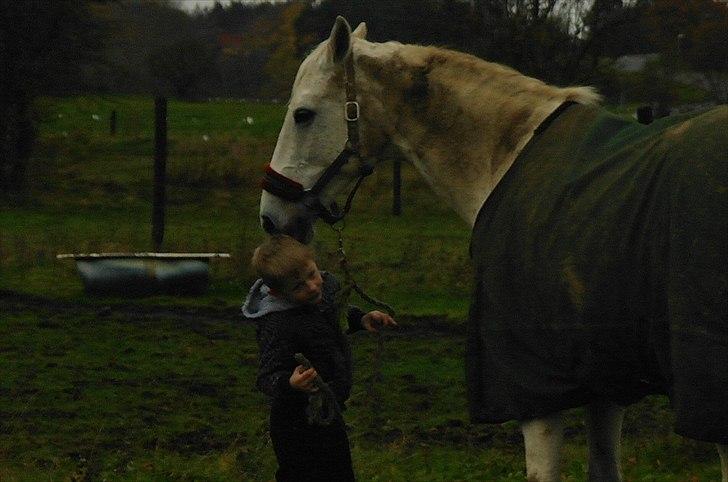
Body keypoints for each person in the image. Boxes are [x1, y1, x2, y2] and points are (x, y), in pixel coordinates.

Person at [242, 234, 396, 482]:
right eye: (298, 286)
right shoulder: (278, 324)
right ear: (277, 293)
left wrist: (361, 319)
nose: (312, 286)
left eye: (312, 274)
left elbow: (332, 320)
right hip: (295, 422)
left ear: (314, 263)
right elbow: (266, 376)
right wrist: (290, 384)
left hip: (329, 413)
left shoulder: (323, 297)